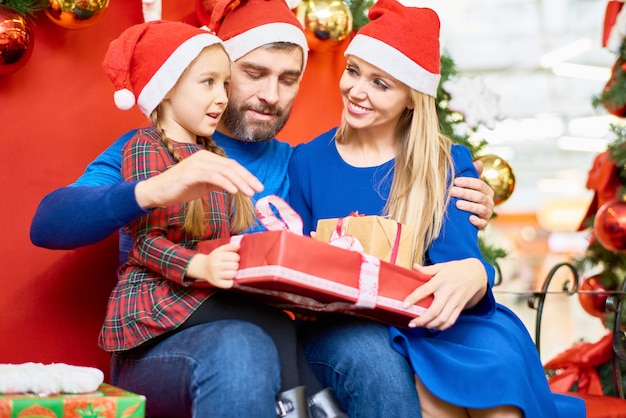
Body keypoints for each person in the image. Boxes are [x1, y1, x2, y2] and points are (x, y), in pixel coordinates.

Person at [29, 0, 494, 416]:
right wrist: (153, 190)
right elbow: (49, 223)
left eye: (288, 78)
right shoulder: (151, 149)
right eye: (253, 74)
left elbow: (382, 220)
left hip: (287, 338)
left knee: (368, 347)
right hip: (167, 340)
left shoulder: (303, 164)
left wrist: (463, 211)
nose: (271, 95)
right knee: (241, 344)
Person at [287, 1, 586, 417]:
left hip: (446, 320)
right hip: (362, 326)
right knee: (433, 399)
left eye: (381, 83)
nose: (357, 90)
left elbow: (461, 265)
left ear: (412, 98)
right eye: (353, 71)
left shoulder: (445, 162)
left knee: (499, 374)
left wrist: (475, 273)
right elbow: (300, 268)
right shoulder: (307, 162)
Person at [100, 20, 344, 418]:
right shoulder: (145, 147)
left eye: (224, 84)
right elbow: (145, 243)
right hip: (156, 306)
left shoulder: (215, 155)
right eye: (208, 84)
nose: (221, 97)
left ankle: (314, 409)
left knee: (277, 325)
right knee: (268, 325)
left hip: (198, 298)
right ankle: (315, 411)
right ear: (168, 87)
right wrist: (202, 265)